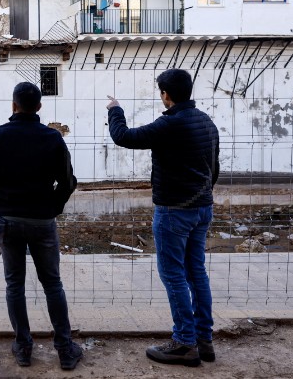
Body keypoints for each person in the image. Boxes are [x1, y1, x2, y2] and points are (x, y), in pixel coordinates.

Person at [106, 68, 219, 367]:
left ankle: (184, 342)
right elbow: (214, 167)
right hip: (202, 208)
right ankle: (204, 339)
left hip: (174, 212)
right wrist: (202, 195)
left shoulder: (170, 124)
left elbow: (124, 137)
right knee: (196, 272)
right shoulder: (205, 121)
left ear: (166, 95)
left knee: (173, 275)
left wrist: (115, 110)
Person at [0, 82, 81, 370]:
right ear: (40, 107)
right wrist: (53, 206)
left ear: (13, 105)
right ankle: (65, 350)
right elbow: (68, 181)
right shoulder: (52, 138)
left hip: (10, 220)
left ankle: (23, 348)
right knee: (52, 284)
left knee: (14, 285)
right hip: (42, 221)